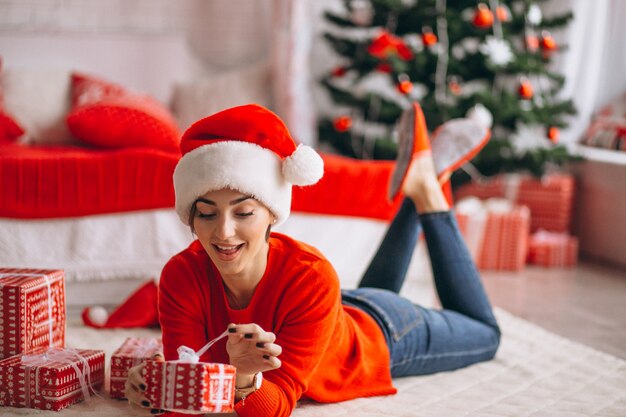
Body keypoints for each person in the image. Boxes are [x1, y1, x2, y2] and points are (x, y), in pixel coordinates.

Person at [124, 103, 500, 417]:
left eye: (243, 213)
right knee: (345, 299)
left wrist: (242, 380)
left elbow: (278, 402)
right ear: (190, 217)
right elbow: (189, 385)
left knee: (485, 334)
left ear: (272, 213)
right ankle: (421, 179)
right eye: (206, 214)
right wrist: (158, 380)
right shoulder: (180, 275)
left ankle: (428, 191)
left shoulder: (311, 275)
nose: (223, 232)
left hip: (380, 332)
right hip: (334, 312)